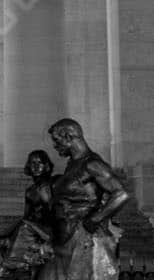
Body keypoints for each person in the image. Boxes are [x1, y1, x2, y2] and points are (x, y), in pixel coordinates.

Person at [38, 118, 129, 280]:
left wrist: (95, 219)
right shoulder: (73, 163)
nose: (54, 145)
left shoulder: (92, 163)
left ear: (68, 137)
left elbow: (121, 194)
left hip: (83, 239)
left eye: (57, 140)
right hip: (64, 238)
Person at [0, 149, 56, 280]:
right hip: (34, 229)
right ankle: (20, 272)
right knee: (2, 242)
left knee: (25, 226)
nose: (36, 166)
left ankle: (5, 268)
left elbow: (55, 212)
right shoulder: (29, 191)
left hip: (50, 229)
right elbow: (26, 216)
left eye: (40, 162)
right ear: (28, 166)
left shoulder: (52, 184)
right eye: (33, 163)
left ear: (46, 166)